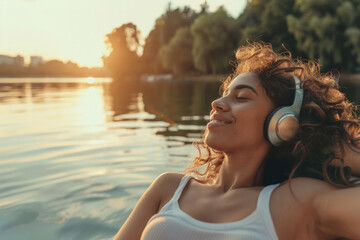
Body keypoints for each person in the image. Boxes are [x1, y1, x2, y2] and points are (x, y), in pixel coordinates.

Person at [113, 42, 360, 240]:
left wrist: (333, 145)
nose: (217, 104)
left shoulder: (292, 202)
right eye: (224, 95)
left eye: (241, 97)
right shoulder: (169, 188)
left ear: (282, 123)